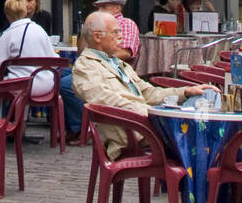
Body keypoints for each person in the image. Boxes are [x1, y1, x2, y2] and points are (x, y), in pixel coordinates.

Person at [69, 10, 214, 159]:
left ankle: (195, 180)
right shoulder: (85, 67)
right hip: (133, 135)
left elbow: (148, 92)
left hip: (149, 127)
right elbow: (106, 101)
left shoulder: (116, 62)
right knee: (205, 140)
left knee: (208, 125)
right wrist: (153, 113)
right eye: (115, 32)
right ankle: (202, 180)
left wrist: (185, 92)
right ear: (97, 37)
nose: (121, 36)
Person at [0, 0, 58, 96]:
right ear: (25, 12)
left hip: (22, 86)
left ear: (7, 15)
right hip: (47, 86)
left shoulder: (8, 35)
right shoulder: (40, 30)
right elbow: (54, 62)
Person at [91, 0, 140, 64]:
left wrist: (98, 61)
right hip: (92, 67)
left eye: (104, 6)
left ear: (117, 8)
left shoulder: (126, 24)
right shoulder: (96, 24)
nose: (99, 10)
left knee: (68, 75)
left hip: (114, 71)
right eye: (98, 7)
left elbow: (125, 53)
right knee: (65, 72)